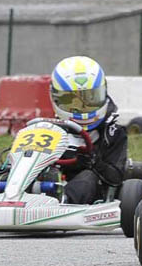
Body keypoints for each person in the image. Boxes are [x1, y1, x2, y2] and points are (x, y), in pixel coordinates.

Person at [48, 55, 128, 204]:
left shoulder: (113, 132)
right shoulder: (49, 128)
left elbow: (115, 177)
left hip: (91, 192)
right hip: (50, 182)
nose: (83, 108)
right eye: (73, 101)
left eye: (90, 99)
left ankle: (64, 202)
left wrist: (94, 161)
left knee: (87, 177)